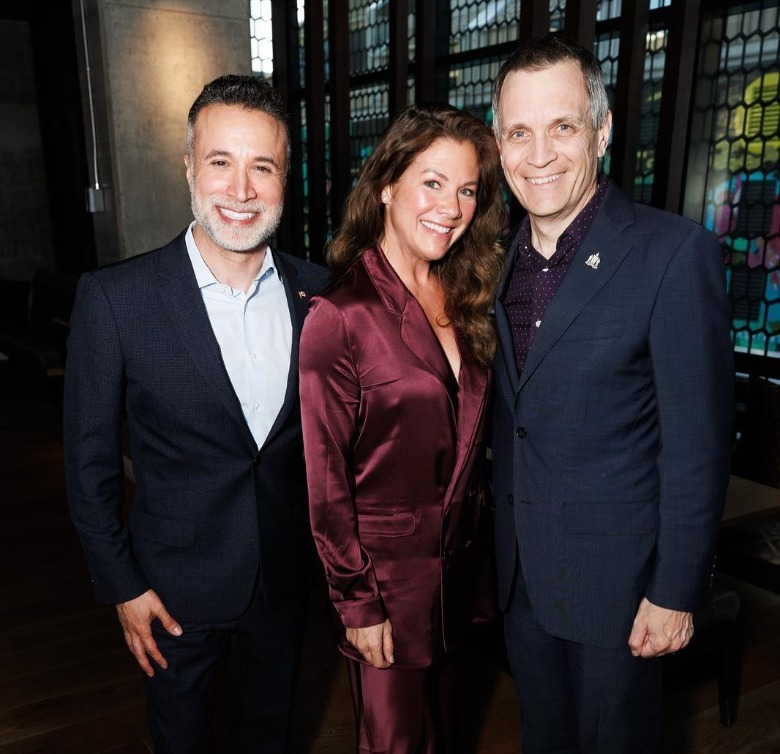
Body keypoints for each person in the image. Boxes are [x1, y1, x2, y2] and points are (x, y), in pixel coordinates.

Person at [64, 74, 328, 753]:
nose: (241, 191)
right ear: (189, 168)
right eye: (220, 162)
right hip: (172, 593)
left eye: (261, 167)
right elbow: (88, 463)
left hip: (283, 582)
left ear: (284, 177)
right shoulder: (115, 299)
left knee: (268, 735)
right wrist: (122, 585)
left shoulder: (322, 295)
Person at [490, 33, 734, 753]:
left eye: (562, 127)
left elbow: (698, 446)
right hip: (521, 582)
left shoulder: (672, 253)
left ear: (601, 130)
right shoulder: (496, 261)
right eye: (519, 132)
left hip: (621, 593)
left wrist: (675, 589)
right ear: (499, 143)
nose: (538, 156)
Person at [298, 103, 506, 754]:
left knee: (444, 735)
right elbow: (326, 489)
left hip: (458, 583)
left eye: (466, 189)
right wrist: (357, 605)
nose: (450, 206)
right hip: (385, 591)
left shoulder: (470, 294)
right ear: (387, 185)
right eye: (432, 182)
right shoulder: (341, 316)